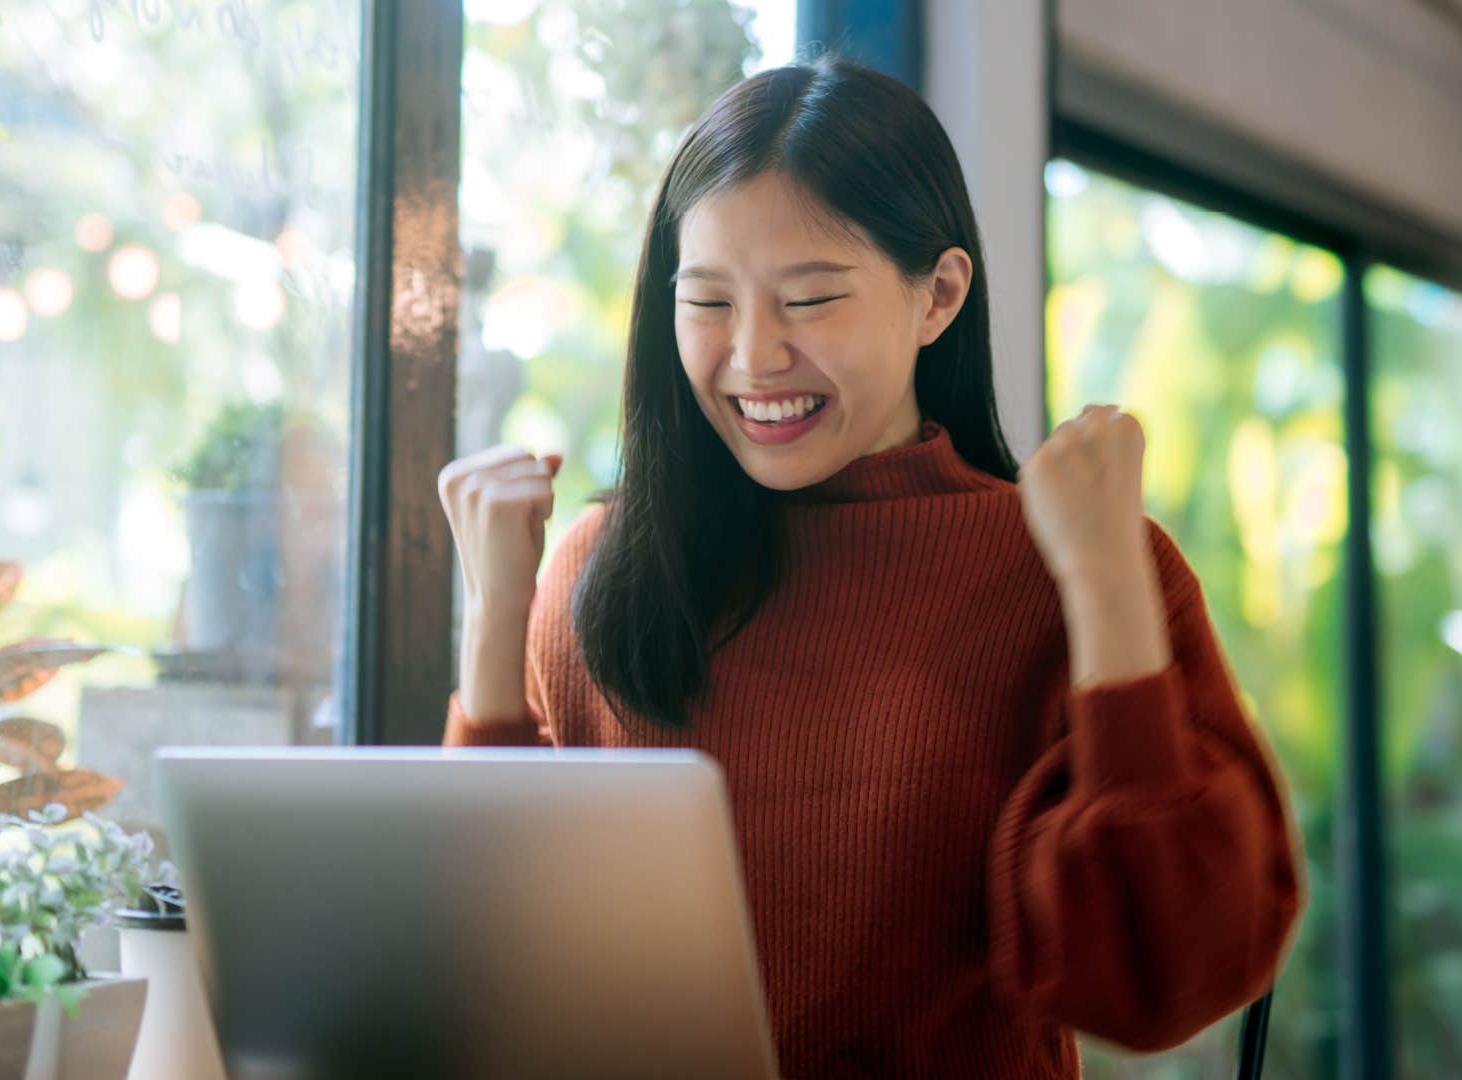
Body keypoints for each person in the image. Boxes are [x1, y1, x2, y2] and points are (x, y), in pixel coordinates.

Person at [436, 56, 1302, 1077]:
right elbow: (482, 976)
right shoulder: (604, 570)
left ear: (937, 296)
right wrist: (497, 624)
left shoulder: (1066, 565)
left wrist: (1107, 583)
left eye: (809, 300)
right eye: (707, 301)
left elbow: (1166, 984)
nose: (753, 357)